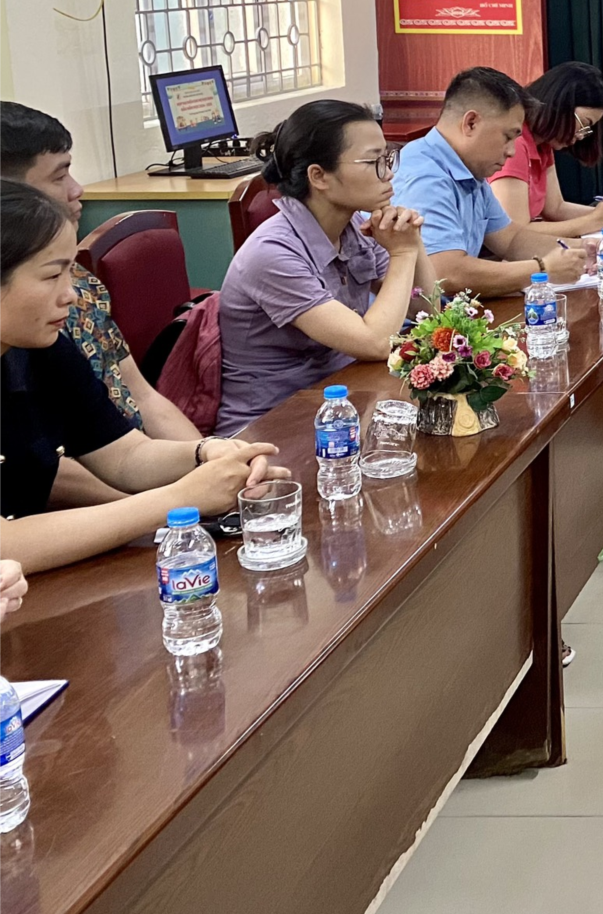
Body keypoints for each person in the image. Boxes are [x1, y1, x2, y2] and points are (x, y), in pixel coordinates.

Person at [0, 182, 287, 573]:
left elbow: (124, 456)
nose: (71, 295)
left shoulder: (43, 350)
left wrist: (205, 454)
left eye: (70, 272)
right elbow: (7, 544)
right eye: (52, 276)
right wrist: (178, 498)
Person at [216, 100, 437, 434]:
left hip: (342, 402)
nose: (389, 173)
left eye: (388, 158)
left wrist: (412, 239)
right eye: (373, 162)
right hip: (272, 428)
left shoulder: (355, 228)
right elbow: (375, 342)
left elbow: (427, 310)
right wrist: (403, 254)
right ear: (318, 176)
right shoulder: (272, 253)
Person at [0, 101, 201, 442]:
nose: (77, 189)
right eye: (58, 177)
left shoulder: (81, 283)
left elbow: (141, 397)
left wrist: (208, 454)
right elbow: (47, 462)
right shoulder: (22, 326)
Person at [390, 68, 591, 298]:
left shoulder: (469, 170)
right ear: (471, 123)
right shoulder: (424, 176)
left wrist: (584, 249)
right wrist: (542, 269)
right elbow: (446, 274)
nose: (511, 151)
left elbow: (511, 240)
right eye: (507, 137)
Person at [490, 62, 603, 237]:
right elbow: (515, 232)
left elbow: (556, 208)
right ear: (559, 104)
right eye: (583, 123)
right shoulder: (516, 144)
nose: (582, 136)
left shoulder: (543, 145)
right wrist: (594, 221)